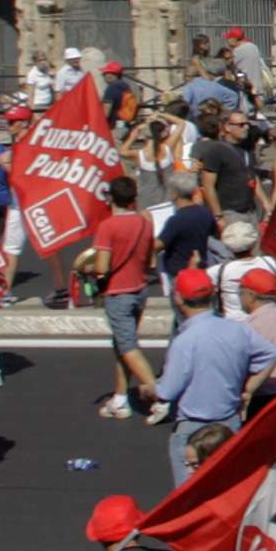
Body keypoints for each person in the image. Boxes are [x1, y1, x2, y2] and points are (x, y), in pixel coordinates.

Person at [152, 267, 276, 484]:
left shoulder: (184, 341)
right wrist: (249, 388)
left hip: (192, 429)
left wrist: (149, 388)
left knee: (188, 497)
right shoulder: (237, 329)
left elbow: (167, 392)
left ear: (179, 299)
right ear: (212, 295)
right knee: (226, 490)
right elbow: (272, 354)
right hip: (228, 425)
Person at [90, 177, 165, 422]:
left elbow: (102, 266)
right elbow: (149, 259)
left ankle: (159, 396)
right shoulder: (145, 222)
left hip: (117, 293)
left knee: (127, 347)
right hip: (139, 289)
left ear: (111, 198)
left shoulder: (108, 227)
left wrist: (88, 270)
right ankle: (120, 398)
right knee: (122, 344)